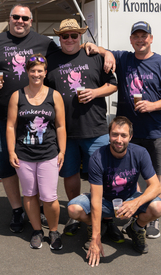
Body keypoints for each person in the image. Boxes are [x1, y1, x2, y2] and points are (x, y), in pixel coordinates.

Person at [0, 5, 61, 233]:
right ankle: (17, 209)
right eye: (16, 17)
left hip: (34, 118)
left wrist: (102, 51)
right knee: (5, 164)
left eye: (25, 18)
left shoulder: (45, 43)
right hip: (0, 116)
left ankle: (40, 207)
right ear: (9, 18)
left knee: (37, 164)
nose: (20, 21)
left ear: (31, 21)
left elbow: (68, 56)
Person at [96, 21, 161, 239]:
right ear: (131, 39)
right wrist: (101, 51)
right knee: (131, 174)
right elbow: (101, 50)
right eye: (136, 36)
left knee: (156, 175)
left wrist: (153, 105)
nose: (140, 39)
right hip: (128, 133)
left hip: (156, 130)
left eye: (144, 36)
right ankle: (133, 210)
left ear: (151, 39)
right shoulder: (124, 58)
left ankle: (152, 219)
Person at [45, 19, 118, 238]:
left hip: (95, 128)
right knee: (70, 174)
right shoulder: (52, 60)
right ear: (59, 38)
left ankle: (107, 218)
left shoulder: (94, 56)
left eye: (74, 35)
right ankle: (74, 214)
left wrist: (95, 92)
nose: (69, 40)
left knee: (104, 176)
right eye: (65, 36)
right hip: (65, 131)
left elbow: (113, 84)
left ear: (81, 37)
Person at [67, 116, 161, 265]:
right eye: (115, 134)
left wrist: (135, 203)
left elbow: (156, 186)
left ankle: (136, 228)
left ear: (130, 137)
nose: (119, 140)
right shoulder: (98, 157)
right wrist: (95, 238)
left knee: (158, 207)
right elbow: (97, 199)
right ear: (109, 135)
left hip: (130, 198)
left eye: (123, 135)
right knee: (73, 209)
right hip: (105, 201)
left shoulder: (140, 153)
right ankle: (97, 226)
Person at [6, 53, 66, 249]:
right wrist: (11, 151)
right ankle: (37, 230)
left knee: (49, 197)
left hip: (48, 153)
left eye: (40, 71)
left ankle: (54, 230)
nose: (36, 74)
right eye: (33, 70)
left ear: (45, 72)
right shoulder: (17, 95)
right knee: (30, 195)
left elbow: (60, 126)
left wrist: (62, 151)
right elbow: (11, 126)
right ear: (27, 72)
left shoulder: (54, 95)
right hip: (24, 155)